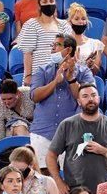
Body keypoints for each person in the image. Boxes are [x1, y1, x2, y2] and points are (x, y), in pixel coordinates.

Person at [47, 83, 107, 194]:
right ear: (79, 101)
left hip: (105, 190)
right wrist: (59, 183)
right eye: (85, 96)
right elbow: (51, 155)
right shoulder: (67, 124)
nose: (90, 99)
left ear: (99, 99)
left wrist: (104, 151)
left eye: (93, 95)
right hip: (74, 191)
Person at [29, 33, 95, 166]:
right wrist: (55, 82)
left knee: (71, 175)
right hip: (42, 131)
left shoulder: (84, 72)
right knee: (43, 175)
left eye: (57, 45)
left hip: (71, 133)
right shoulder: (42, 71)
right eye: (52, 45)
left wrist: (71, 79)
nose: (52, 49)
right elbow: (34, 96)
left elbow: (87, 100)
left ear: (69, 50)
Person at [0, 78, 34, 142]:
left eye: (10, 98)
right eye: (3, 99)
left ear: (18, 93)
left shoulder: (30, 94)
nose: (7, 102)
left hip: (36, 127)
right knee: (20, 126)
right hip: (13, 130)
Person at [67, 3, 104, 78]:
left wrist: (91, 65)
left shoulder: (95, 44)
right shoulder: (63, 43)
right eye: (76, 19)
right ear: (70, 22)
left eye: (83, 19)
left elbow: (95, 72)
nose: (81, 21)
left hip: (87, 82)